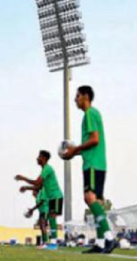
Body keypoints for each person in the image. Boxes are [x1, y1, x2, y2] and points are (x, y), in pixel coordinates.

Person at [61, 86, 117, 254]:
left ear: (86, 96)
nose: (75, 99)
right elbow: (91, 143)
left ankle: (109, 237)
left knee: (89, 197)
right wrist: (74, 152)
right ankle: (100, 243)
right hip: (98, 163)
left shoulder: (90, 114)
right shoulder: (93, 114)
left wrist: (74, 149)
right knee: (96, 202)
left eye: (77, 96)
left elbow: (94, 139)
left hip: (93, 164)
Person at [16, 150, 64, 245]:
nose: (37, 158)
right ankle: (50, 242)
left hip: (56, 195)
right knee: (50, 218)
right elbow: (39, 186)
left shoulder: (47, 168)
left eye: (39, 156)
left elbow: (37, 182)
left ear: (44, 158)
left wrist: (23, 178)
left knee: (51, 218)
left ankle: (53, 243)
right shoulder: (44, 170)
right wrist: (26, 188)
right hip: (52, 197)